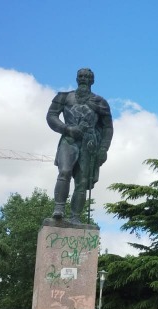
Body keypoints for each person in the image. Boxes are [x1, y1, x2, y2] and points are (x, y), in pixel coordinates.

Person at [46, 68, 113, 223]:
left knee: (82, 181)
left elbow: (108, 127)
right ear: (77, 79)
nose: (84, 79)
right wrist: (66, 129)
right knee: (64, 171)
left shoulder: (100, 102)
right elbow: (51, 116)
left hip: (89, 143)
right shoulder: (64, 97)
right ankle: (59, 208)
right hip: (69, 139)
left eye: (87, 77)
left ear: (92, 80)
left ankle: (75, 217)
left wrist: (103, 149)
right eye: (81, 76)